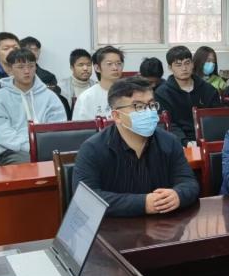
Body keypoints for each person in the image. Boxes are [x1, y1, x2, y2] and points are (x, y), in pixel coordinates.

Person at [73, 77, 199, 217]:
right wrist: (142, 203)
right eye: (139, 107)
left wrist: (178, 195)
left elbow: (189, 182)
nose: (148, 111)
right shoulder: (92, 149)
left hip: (163, 224)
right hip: (114, 227)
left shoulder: (169, 141)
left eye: (151, 105)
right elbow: (85, 199)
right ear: (117, 116)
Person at [0, 48, 68, 165]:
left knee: (72, 161)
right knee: (29, 163)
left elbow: (58, 125)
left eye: (31, 66)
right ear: (10, 69)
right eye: (20, 67)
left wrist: (43, 147)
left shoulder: (49, 96)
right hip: (13, 150)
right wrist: (29, 147)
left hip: (47, 147)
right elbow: (1, 130)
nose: (27, 71)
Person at [154, 46, 221, 145]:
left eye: (187, 63)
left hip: (208, 139)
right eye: (178, 65)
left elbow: (216, 118)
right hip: (178, 142)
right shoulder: (162, 93)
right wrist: (185, 142)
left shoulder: (208, 90)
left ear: (192, 64)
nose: (184, 68)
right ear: (170, 68)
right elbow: (167, 124)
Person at [73, 46, 124, 120]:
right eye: (109, 64)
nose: (115, 68)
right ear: (97, 68)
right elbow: (79, 125)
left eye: (118, 63)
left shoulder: (129, 93)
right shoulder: (86, 97)